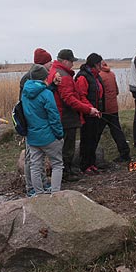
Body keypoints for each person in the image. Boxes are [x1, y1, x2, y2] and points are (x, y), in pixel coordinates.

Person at [47, 49, 100, 181]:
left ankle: (66, 170)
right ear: (65, 61)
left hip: (63, 115)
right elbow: (69, 99)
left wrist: (88, 107)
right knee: (67, 146)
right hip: (66, 117)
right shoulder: (63, 75)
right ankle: (65, 173)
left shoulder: (58, 72)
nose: (73, 64)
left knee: (64, 145)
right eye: (71, 61)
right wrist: (88, 110)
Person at [22, 64, 64, 195]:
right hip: (49, 136)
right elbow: (54, 116)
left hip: (32, 137)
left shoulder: (25, 93)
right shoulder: (47, 94)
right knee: (57, 164)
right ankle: (56, 193)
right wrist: (59, 134)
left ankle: (38, 194)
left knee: (35, 166)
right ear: (45, 77)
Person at [19, 48, 55, 196]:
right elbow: (28, 101)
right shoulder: (29, 79)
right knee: (31, 158)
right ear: (42, 63)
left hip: (35, 123)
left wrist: (54, 86)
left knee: (36, 158)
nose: (52, 65)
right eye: (49, 62)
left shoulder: (37, 77)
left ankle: (41, 184)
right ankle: (32, 188)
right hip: (31, 124)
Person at [75, 53, 105, 174]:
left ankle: (92, 163)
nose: (101, 66)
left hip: (96, 112)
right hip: (87, 113)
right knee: (87, 139)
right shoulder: (83, 77)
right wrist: (90, 109)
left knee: (94, 138)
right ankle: (85, 164)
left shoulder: (96, 76)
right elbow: (81, 96)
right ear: (94, 64)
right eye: (100, 64)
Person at [98, 60, 131, 162]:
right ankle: (125, 153)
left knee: (96, 133)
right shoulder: (111, 74)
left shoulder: (99, 76)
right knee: (117, 131)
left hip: (103, 109)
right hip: (113, 107)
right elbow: (117, 91)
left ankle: (91, 155)